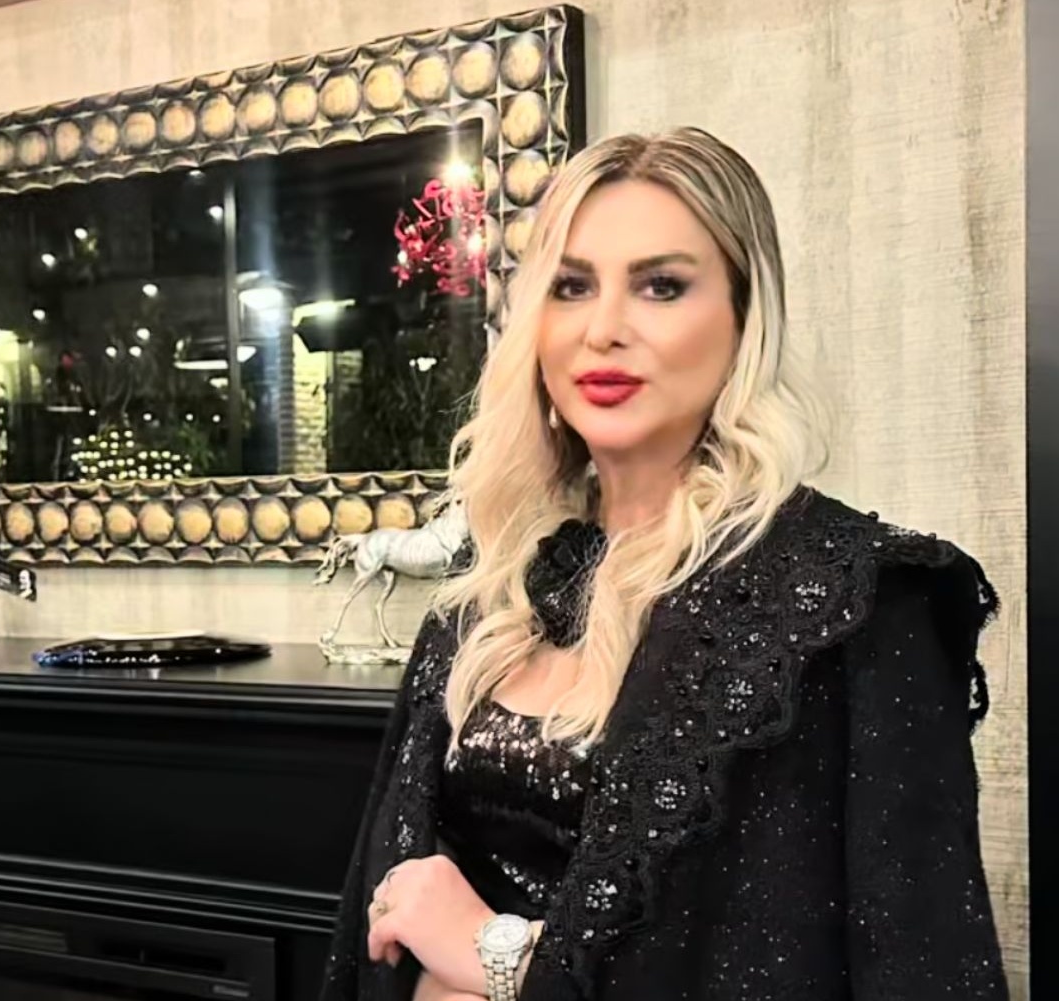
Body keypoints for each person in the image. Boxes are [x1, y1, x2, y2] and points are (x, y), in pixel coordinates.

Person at [319, 128, 1007, 1001]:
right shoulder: (487, 593)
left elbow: (920, 964)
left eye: (662, 286)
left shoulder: (855, 603)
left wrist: (497, 953)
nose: (604, 329)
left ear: (745, 318)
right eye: (571, 287)